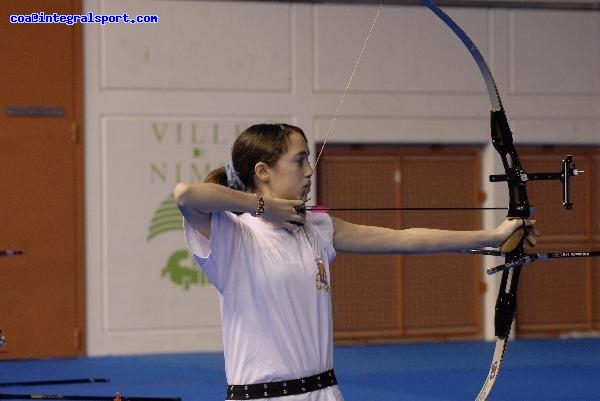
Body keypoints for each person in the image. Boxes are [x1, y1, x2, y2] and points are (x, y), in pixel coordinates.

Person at [174, 123, 539, 401]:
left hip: (325, 392)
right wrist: (261, 206)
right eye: (299, 161)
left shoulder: (317, 225)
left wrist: (493, 236)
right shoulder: (231, 234)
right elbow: (186, 194)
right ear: (263, 171)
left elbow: (409, 239)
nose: (309, 170)